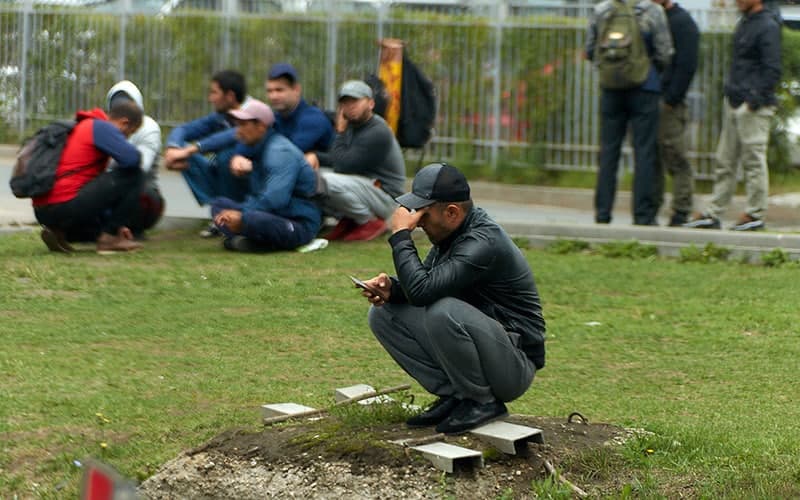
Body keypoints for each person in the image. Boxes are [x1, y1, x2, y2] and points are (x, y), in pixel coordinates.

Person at [362, 163, 546, 435]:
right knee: (383, 313)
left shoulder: (482, 242)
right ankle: (455, 396)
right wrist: (393, 290)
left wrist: (401, 236)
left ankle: (482, 402)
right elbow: (427, 287)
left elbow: (426, 292)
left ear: (451, 212)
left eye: (424, 215)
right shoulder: (451, 235)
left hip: (513, 364)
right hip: (487, 347)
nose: (418, 223)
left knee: (442, 312)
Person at [684, 0, 781, 231]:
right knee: (724, 160)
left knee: (753, 161)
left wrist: (753, 101)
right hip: (736, 101)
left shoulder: (767, 26)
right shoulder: (745, 23)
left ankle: (755, 213)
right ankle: (714, 212)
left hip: (753, 106)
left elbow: (772, 69)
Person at [585, 0, 674, 225]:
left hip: (611, 89)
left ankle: (603, 213)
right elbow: (665, 51)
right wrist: (650, 70)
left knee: (608, 152)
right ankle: (642, 215)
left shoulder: (602, 10)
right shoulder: (651, 10)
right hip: (645, 88)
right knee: (643, 152)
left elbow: (590, 50)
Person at [209, 99, 321, 253]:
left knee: (254, 219)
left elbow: (275, 200)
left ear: (261, 126)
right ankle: (255, 239)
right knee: (220, 206)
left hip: (297, 223)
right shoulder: (257, 147)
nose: (238, 131)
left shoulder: (279, 151)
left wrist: (242, 216)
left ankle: (252, 239)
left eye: (243, 124)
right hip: (270, 214)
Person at [32, 102, 144, 253]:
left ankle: (59, 232)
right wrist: (113, 228)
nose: (126, 137)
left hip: (43, 211)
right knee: (135, 174)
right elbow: (132, 159)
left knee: (98, 228)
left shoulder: (82, 126)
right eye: (129, 132)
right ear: (124, 122)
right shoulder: (102, 127)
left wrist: (117, 226)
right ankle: (109, 239)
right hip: (65, 204)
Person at [307, 80, 406, 242]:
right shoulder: (353, 125)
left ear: (371, 103)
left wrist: (339, 132)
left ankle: (370, 221)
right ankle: (352, 219)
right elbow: (338, 159)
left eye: (355, 101)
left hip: (386, 195)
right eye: (345, 102)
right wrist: (315, 156)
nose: (350, 106)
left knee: (323, 180)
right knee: (307, 176)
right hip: (366, 186)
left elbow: (342, 165)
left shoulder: (377, 130)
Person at [163, 70, 252, 236]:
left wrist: (191, 149)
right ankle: (219, 213)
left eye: (214, 93)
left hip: (250, 182)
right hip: (223, 176)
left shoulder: (253, 114)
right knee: (185, 152)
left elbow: (231, 135)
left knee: (227, 155)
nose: (210, 98)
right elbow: (184, 129)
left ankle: (236, 214)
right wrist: (172, 149)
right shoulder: (220, 116)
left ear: (230, 96)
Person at [652, 0, 699, 227]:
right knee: (652, 157)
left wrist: (671, 99)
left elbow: (687, 65)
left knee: (676, 156)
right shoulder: (651, 17)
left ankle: (681, 209)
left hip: (669, 103)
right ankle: (651, 208)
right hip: (649, 100)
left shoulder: (682, 22)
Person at [105, 80, 165, 238]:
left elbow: (139, 168)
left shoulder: (148, 128)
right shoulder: (103, 127)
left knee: (138, 185)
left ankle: (131, 227)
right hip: (106, 186)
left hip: (141, 190)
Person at [265, 62, 334, 154]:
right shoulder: (274, 118)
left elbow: (285, 155)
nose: (273, 96)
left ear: (297, 90)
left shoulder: (313, 119)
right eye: (269, 91)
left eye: (279, 90)